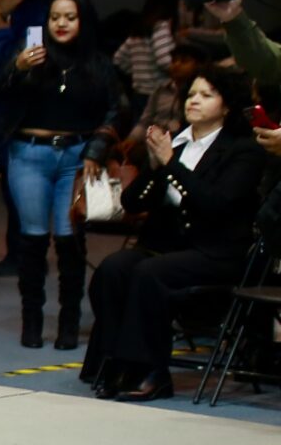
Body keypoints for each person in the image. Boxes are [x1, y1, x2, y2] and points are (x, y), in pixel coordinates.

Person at [84, 72, 264, 399]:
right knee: (113, 269)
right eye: (191, 94)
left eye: (206, 95)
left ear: (226, 106)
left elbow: (216, 204)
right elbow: (132, 202)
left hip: (216, 252)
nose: (194, 100)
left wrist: (171, 163)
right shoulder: (176, 141)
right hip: (167, 246)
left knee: (149, 273)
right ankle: (115, 362)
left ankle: (152, 371)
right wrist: (156, 166)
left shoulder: (243, 149)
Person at [0, 0, 117, 350]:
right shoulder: (30, 54)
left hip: (78, 158)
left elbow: (114, 110)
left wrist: (96, 149)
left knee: (70, 242)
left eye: (70, 17)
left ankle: (69, 322)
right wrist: (16, 68)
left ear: (83, 21)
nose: (61, 24)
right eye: (54, 17)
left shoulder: (96, 62)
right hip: (29, 153)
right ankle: (31, 321)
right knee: (32, 240)